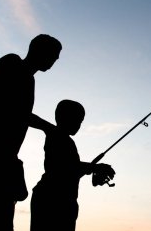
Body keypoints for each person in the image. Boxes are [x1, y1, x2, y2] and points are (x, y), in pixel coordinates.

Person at [0, 34, 62, 231]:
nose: (56, 60)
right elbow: (13, 110)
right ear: (39, 50)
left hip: (6, 158)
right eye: (54, 54)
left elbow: (21, 113)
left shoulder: (29, 79)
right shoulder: (11, 63)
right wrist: (50, 128)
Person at [30, 99, 115, 231]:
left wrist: (91, 169)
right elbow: (65, 168)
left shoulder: (61, 137)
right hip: (54, 201)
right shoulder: (57, 136)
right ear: (64, 117)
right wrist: (95, 167)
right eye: (77, 119)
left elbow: (69, 170)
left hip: (61, 200)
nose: (79, 125)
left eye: (81, 121)